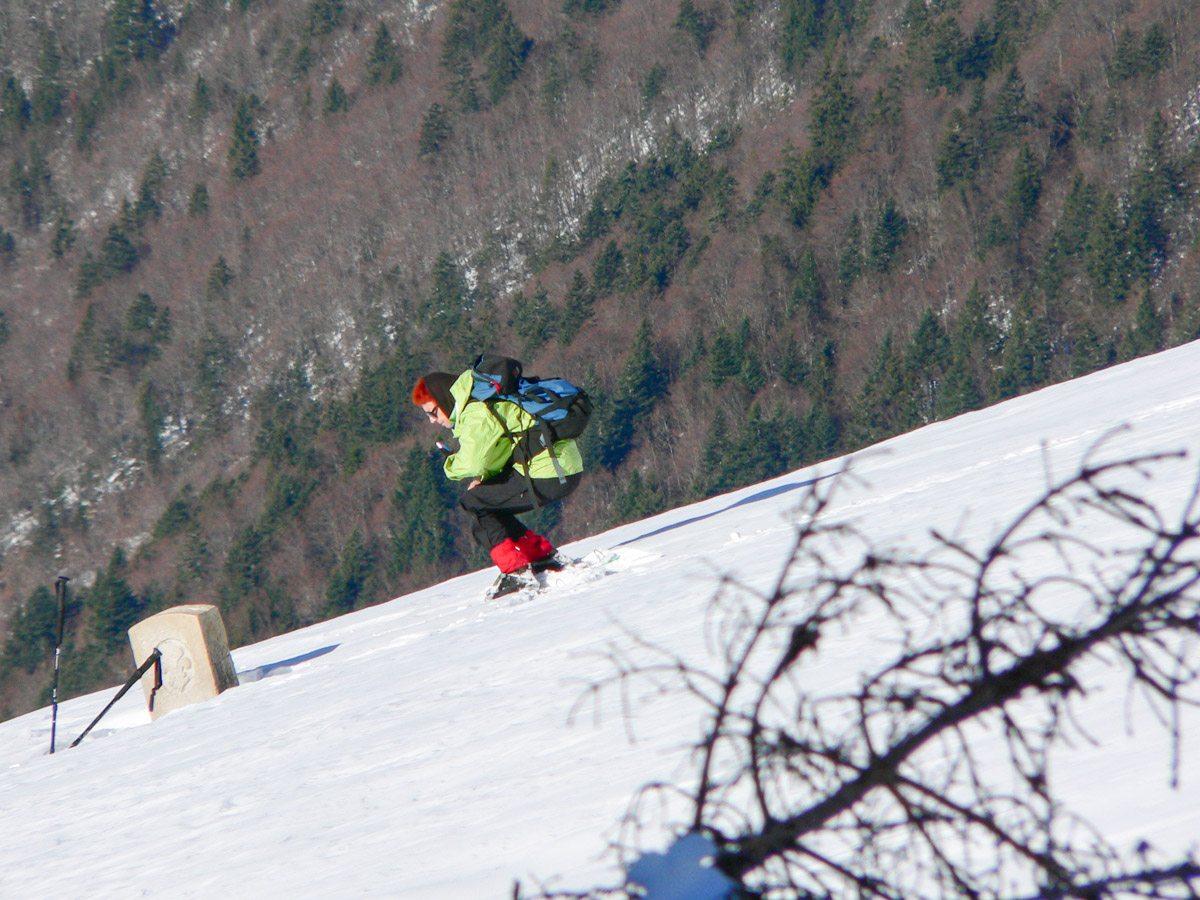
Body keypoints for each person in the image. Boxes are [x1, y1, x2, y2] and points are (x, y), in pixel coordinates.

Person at [412, 367, 584, 595]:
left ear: (444, 398)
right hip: (560, 467)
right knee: (485, 505)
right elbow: (500, 452)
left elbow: (473, 463)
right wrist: (485, 481)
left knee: (475, 502)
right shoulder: (481, 401)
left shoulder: (475, 412)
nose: (433, 421)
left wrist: (450, 465)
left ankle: (517, 572)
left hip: (550, 471)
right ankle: (541, 556)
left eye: (433, 412)